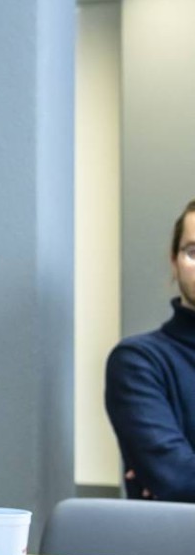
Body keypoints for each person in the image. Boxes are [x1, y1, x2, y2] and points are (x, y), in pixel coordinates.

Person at [106, 198, 195, 503]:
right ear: (174, 261)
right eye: (193, 252)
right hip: (176, 548)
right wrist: (174, 478)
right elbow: (177, 479)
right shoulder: (138, 361)